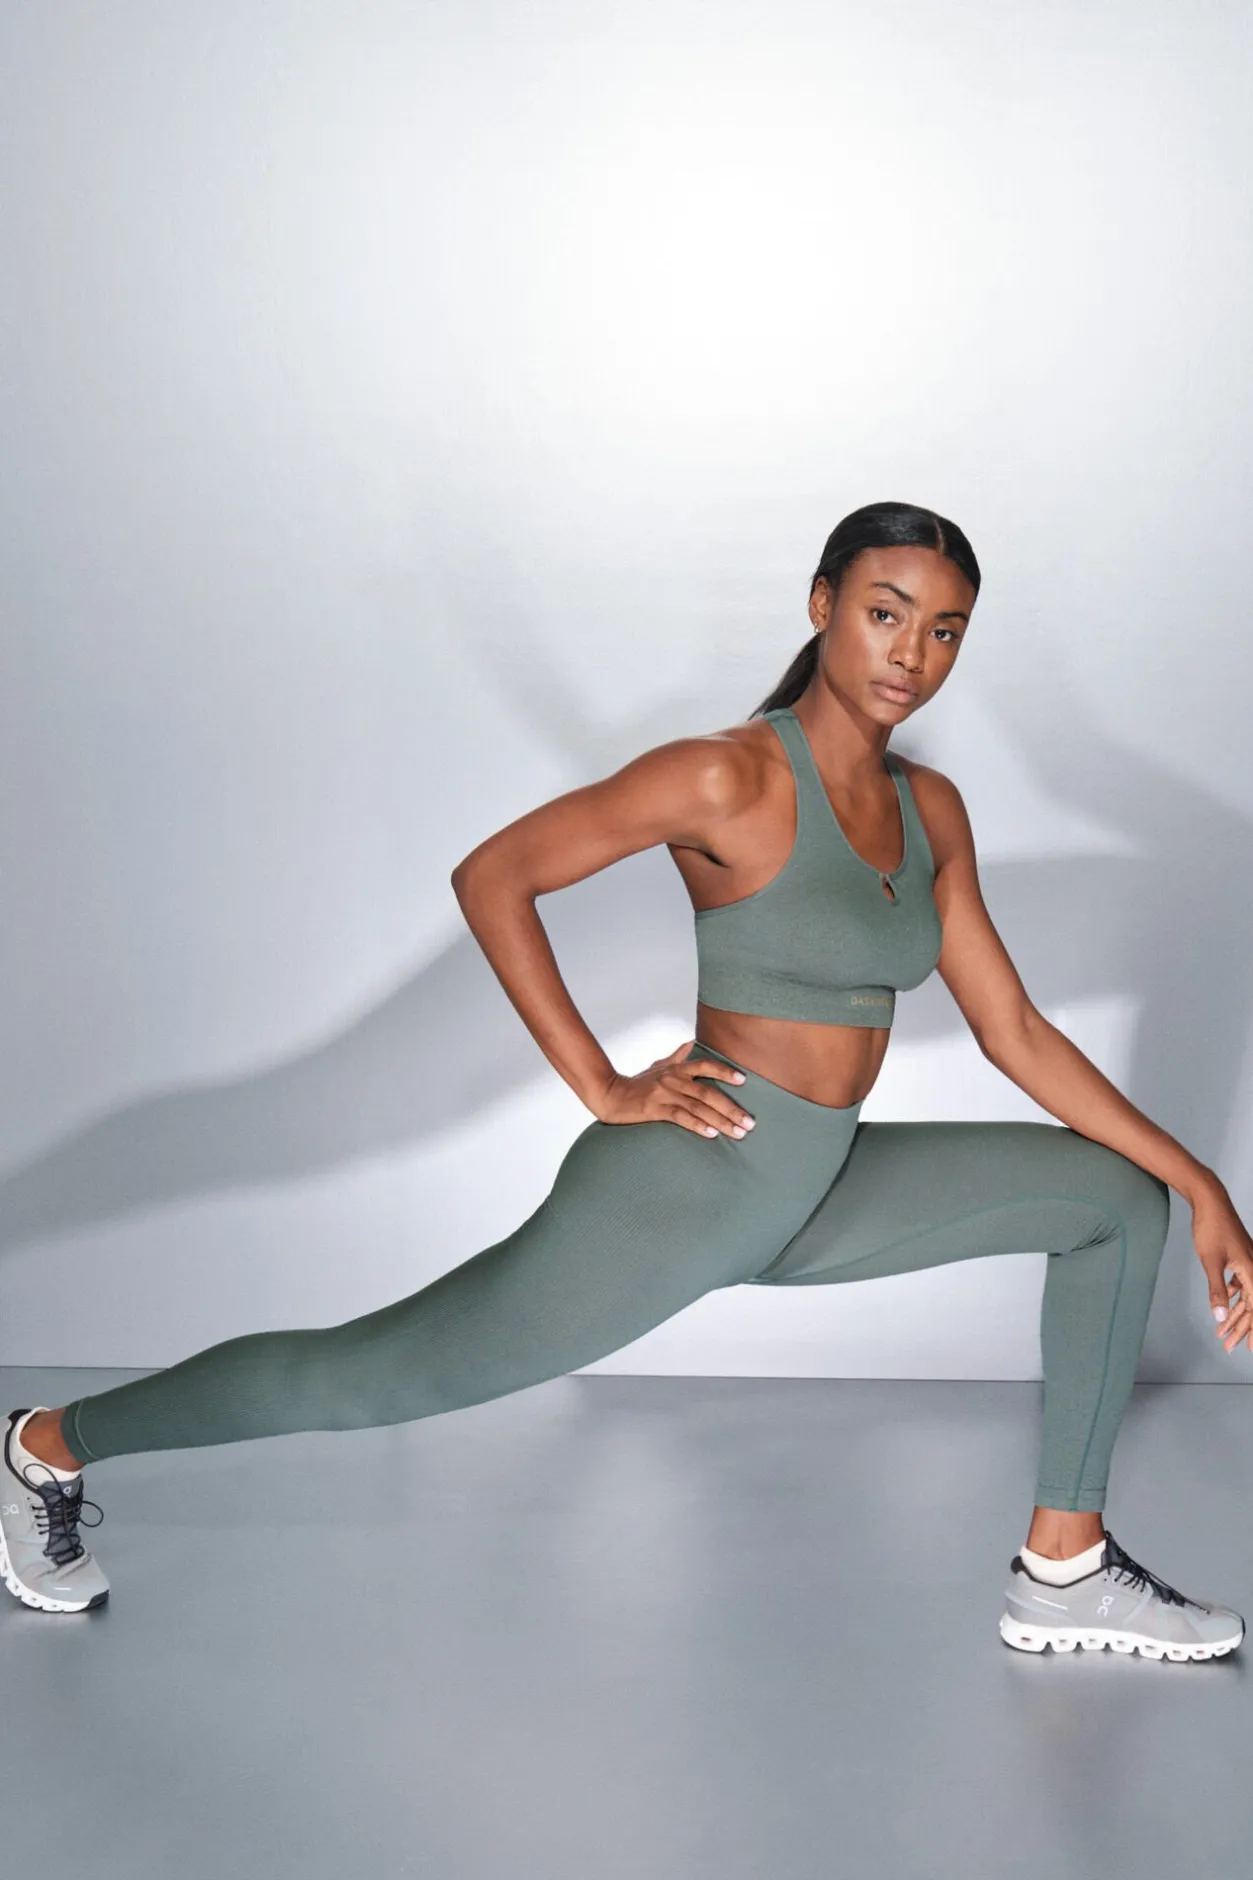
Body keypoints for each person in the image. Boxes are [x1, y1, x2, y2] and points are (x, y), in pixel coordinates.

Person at [3, 500, 1250, 1662]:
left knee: (1114, 1200)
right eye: (884, 611)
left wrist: (1199, 1182)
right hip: (689, 1187)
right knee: (369, 1374)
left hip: (817, 1184)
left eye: (943, 630)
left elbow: (1012, 1028)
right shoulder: (724, 776)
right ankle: (44, 1444)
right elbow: (495, 874)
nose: (909, 652)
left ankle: (1061, 1565)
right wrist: (600, 1083)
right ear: (820, 603)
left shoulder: (931, 808)